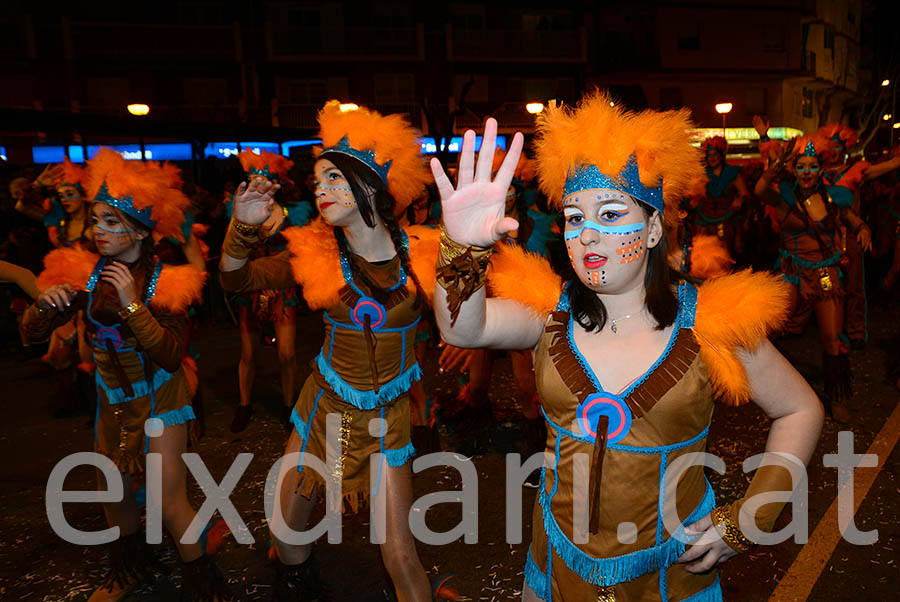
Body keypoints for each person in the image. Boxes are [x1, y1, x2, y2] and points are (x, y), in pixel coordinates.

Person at [431, 93, 824, 601]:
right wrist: (462, 245)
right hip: (555, 568)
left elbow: (799, 409)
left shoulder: (710, 324)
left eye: (611, 214)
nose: (588, 235)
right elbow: (463, 330)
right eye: (574, 218)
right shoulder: (550, 314)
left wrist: (750, 516)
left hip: (670, 578)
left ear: (655, 226)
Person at [219, 101, 453, 601]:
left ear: (370, 186)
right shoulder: (313, 252)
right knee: (287, 540)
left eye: (334, 177)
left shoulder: (423, 253)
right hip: (322, 413)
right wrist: (241, 229)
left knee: (399, 554)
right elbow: (236, 278)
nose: (319, 187)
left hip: (386, 423)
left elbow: (477, 311)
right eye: (317, 178)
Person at [22, 148, 228, 602]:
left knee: (170, 498)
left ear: (138, 230)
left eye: (111, 222)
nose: (99, 230)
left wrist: (134, 303)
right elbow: (31, 336)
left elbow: (172, 355)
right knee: (112, 492)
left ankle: (203, 584)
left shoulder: (170, 281)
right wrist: (43, 306)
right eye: (97, 220)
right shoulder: (80, 271)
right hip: (112, 400)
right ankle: (131, 568)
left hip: (162, 398)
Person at [754, 134, 872, 423]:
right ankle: (763, 384)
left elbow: (852, 220)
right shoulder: (784, 199)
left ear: (820, 169)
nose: (807, 172)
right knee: (772, 326)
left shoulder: (834, 198)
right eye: (801, 166)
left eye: (812, 166)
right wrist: (775, 165)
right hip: (792, 271)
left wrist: (863, 228)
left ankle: (838, 396)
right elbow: (759, 189)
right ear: (795, 170)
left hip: (824, 273)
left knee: (832, 337)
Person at [225, 150, 312, 432]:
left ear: (276, 183)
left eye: (262, 180)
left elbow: (297, 252)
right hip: (250, 288)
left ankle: (288, 406)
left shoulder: (294, 214)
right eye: (252, 180)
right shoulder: (239, 209)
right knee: (249, 352)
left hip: (281, 289)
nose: (256, 185)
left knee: (286, 352)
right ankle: (244, 404)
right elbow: (233, 250)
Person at [815, 124, 900, 349]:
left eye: (837, 147)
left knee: (854, 285)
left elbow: (887, 167)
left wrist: (895, 160)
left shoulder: (856, 171)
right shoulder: (815, 173)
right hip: (823, 238)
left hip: (851, 235)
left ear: (845, 148)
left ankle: (856, 332)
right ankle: (832, 329)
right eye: (829, 147)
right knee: (827, 285)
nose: (833, 152)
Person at [690, 136, 750, 260]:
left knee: (727, 250)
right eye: (709, 155)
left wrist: (739, 199)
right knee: (703, 251)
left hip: (727, 216)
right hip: (704, 216)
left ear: (721, 155)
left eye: (715, 154)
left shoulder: (732, 172)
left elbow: (744, 193)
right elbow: (693, 194)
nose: (712, 158)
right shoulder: (701, 173)